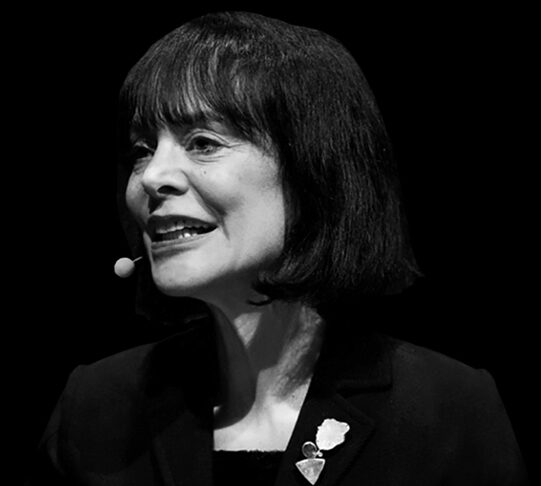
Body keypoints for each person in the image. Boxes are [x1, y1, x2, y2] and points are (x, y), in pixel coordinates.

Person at [26, 11, 528, 486]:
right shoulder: (96, 404)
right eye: (141, 150)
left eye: (203, 142)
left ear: (314, 171)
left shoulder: (445, 408)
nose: (152, 176)